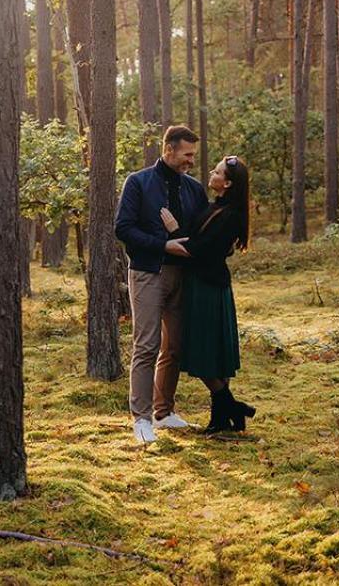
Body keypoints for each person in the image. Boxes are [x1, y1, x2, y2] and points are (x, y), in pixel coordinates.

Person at [115, 125, 209, 444]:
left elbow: (202, 231)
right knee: (147, 344)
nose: (190, 161)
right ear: (168, 150)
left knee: (175, 346)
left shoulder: (194, 189)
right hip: (148, 273)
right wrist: (162, 243)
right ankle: (140, 419)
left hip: (184, 276)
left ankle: (164, 412)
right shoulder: (138, 183)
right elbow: (123, 228)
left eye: (193, 155)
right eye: (187, 154)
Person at [167, 154, 255, 433]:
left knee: (204, 352)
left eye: (216, 173)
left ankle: (228, 405)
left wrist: (173, 231)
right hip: (205, 284)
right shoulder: (216, 208)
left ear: (226, 183)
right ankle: (222, 419)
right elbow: (199, 240)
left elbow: (199, 249)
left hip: (208, 287)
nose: (211, 175)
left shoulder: (230, 216)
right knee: (214, 352)